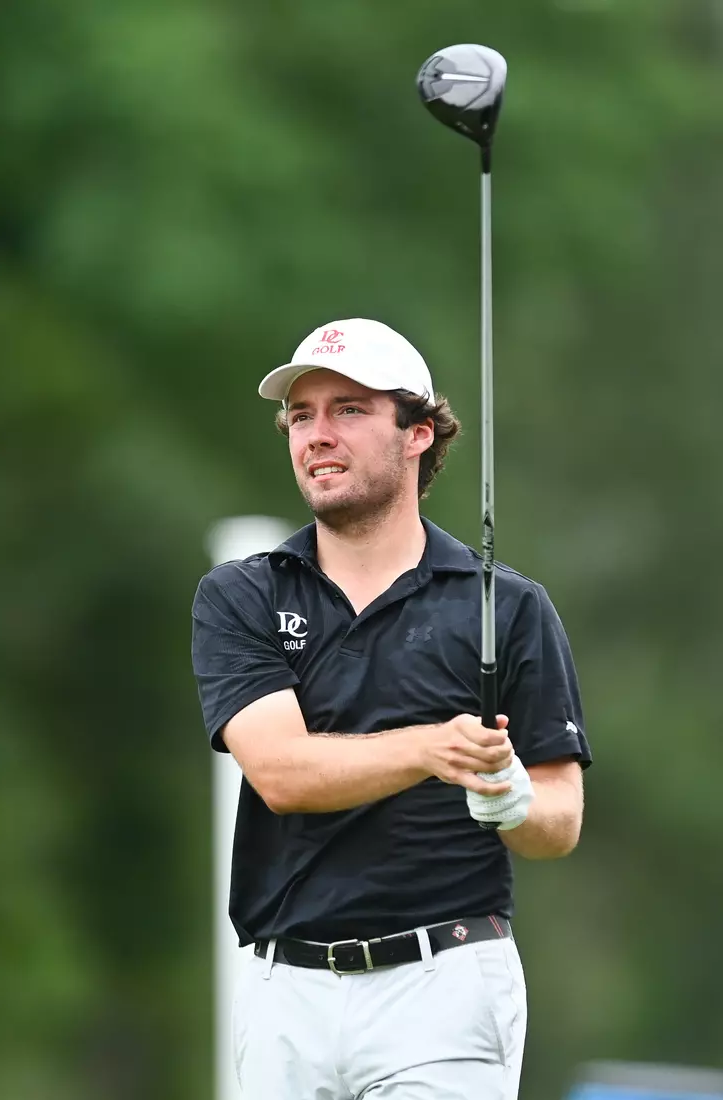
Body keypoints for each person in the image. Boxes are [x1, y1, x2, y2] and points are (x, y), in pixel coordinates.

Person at [191, 317, 592, 1100]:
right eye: (300, 416)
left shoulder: (505, 606)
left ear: (416, 434)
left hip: (443, 987)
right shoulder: (242, 594)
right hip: (285, 992)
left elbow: (559, 821)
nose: (317, 435)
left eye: (348, 410)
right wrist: (432, 750)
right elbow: (280, 772)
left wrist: (511, 797)